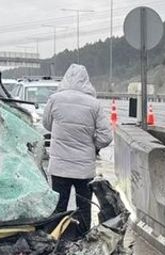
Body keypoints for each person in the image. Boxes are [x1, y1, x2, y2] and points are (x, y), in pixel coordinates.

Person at [42, 64, 112, 233]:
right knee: (83, 208)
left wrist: (62, 133)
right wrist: (91, 146)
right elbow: (106, 136)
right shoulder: (94, 104)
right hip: (84, 170)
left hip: (59, 168)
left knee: (59, 208)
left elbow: (47, 124)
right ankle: (83, 240)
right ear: (86, 81)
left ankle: (54, 241)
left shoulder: (55, 99)